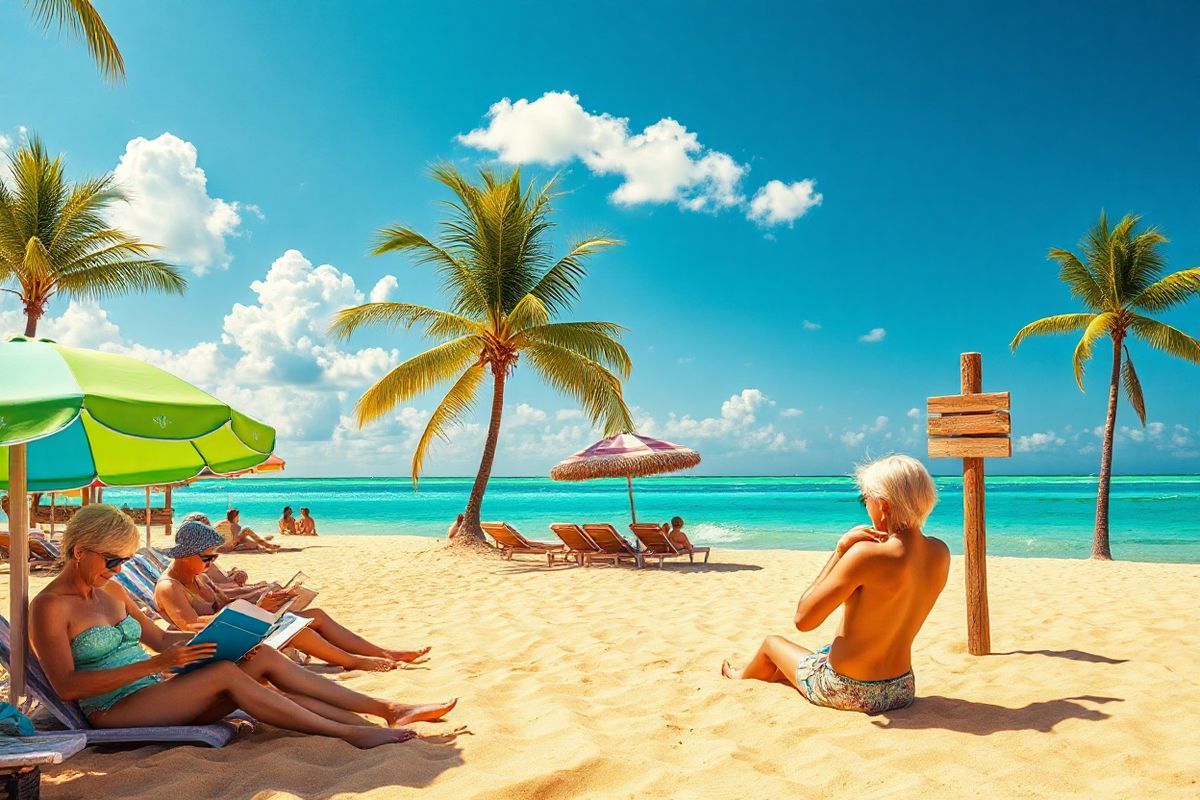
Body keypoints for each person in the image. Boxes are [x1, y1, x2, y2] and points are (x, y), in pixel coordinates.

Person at [29, 504, 456, 749]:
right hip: (113, 710)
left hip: (154, 691)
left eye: (124, 561)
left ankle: (387, 710)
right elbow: (66, 687)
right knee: (226, 674)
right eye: (111, 561)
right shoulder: (49, 607)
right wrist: (158, 663)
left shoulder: (113, 592)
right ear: (79, 551)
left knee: (260, 655)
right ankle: (348, 732)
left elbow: (161, 637)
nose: (119, 569)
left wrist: (227, 636)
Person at [721, 455, 950, 715]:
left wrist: (840, 551)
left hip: (848, 689)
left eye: (867, 499)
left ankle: (739, 678)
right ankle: (778, 674)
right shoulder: (940, 552)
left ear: (883, 506)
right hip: (901, 688)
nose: (866, 507)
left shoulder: (866, 555)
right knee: (820, 653)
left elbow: (804, 619)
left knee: (771, 644)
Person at [155, 521, 431, 671]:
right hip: (216, 647)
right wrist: (253, 610)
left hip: (234, 632)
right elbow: (190, 627)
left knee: (316, 616)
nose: (212, 562)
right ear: (185, 554)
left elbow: (226, 605)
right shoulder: (170, 587)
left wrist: (266, 601)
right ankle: (353, 661)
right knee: (296, 630)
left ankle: (383, 651)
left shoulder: (198, 575)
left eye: (214, 556)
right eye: (207, 557)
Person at [178, 512, 269, 602]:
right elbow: (214, 590)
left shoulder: (195, 555)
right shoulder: (191, 560)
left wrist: (233, 575)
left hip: (223, 586)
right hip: (222, 591)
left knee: (262, 589)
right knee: (264, 590)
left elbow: (214, 582)